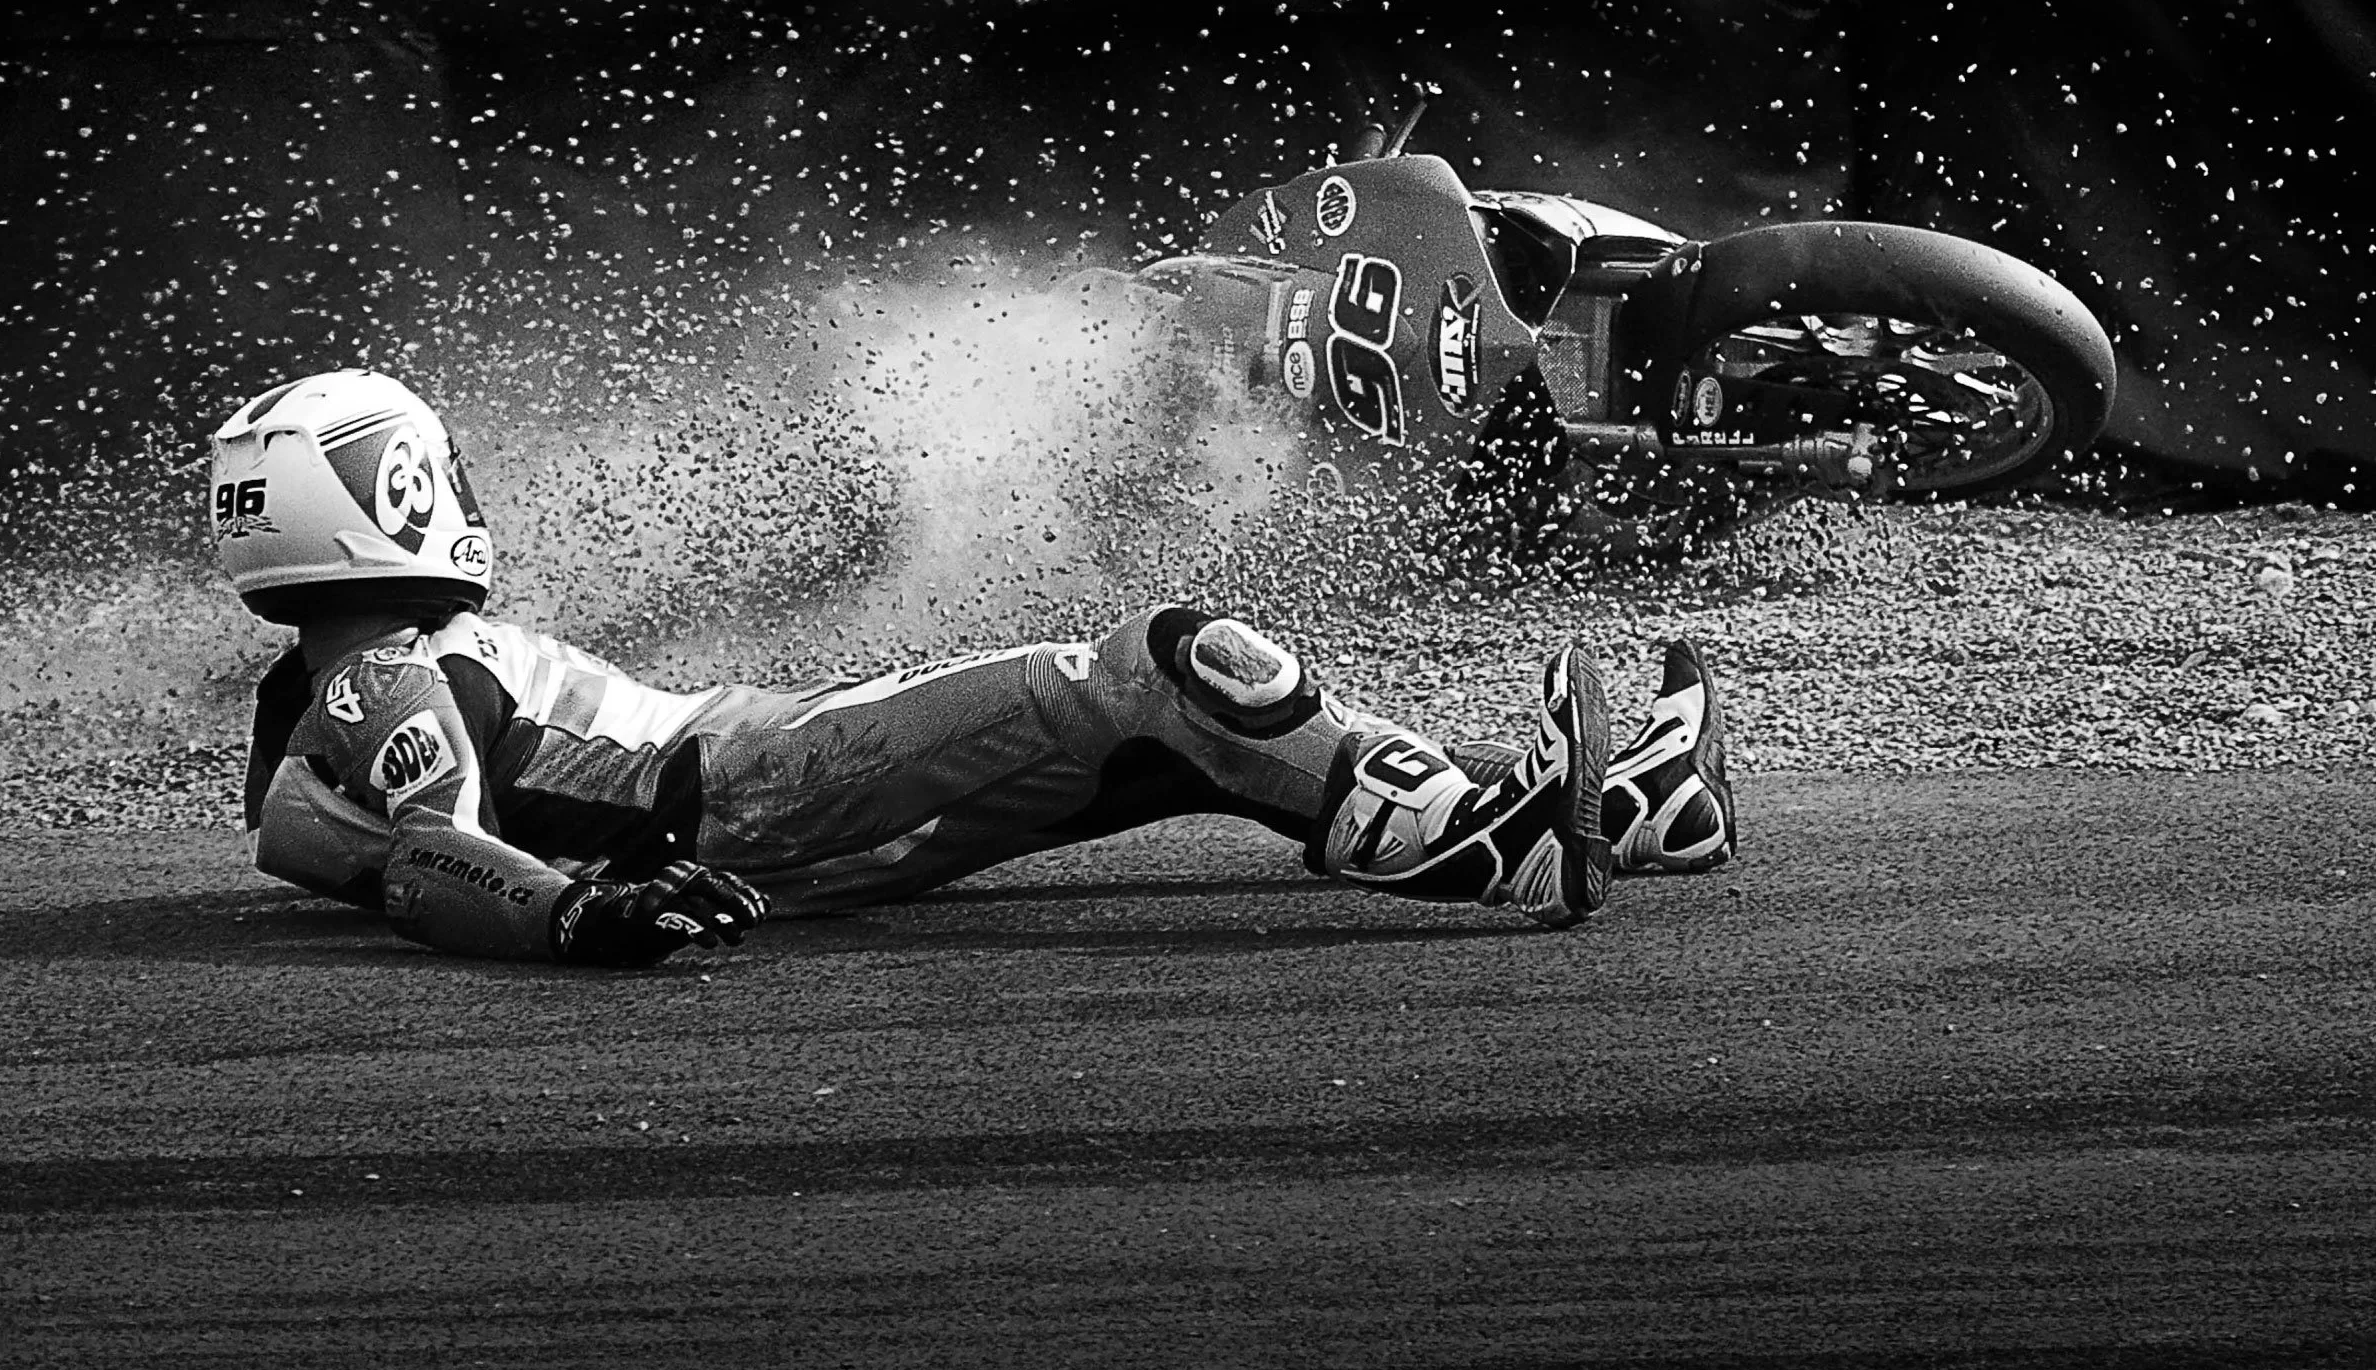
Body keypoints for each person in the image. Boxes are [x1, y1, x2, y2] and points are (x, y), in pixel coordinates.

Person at [213, 370, 1736, 967]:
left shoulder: (334, 703)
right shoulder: (379, 677)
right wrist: (576, 915)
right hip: (746, 789)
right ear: (393, 491)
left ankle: (1618, 812)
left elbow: (332, 844)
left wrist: (556, 885)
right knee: (1157, 660)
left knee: (1159, 744)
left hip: (753, 801)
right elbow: (434, 847)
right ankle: (1486, 853)